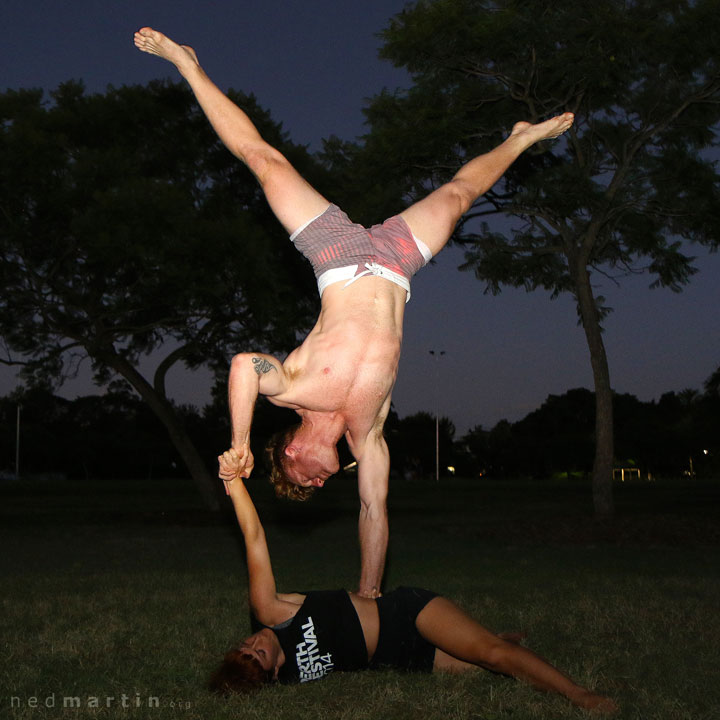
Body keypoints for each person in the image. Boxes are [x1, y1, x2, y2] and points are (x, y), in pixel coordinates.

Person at [134, 28, 575, 598]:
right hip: (396, 265)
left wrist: (240, 441)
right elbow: (373, 510)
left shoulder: (289, 389)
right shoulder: (369, 436)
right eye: (316, 486)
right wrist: (368, 597)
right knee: (462, 195)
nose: (319, 481)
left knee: (263, 160)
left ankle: (189, 66)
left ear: (290, 450)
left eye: (304, 477)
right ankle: (518, 139)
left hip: (335, 254)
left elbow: (244, 364)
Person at [207, 449, 617, 714]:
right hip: (398, 657)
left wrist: (233, 482)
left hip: (407, 614)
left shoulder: (270, 614)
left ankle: (580, 696)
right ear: (274, 673)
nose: (254, 642)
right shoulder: (287, 679)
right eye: (257, 654)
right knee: (482, 666)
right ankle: (500, 636)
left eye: (245, 644)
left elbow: (255, 539)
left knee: (491, 655)